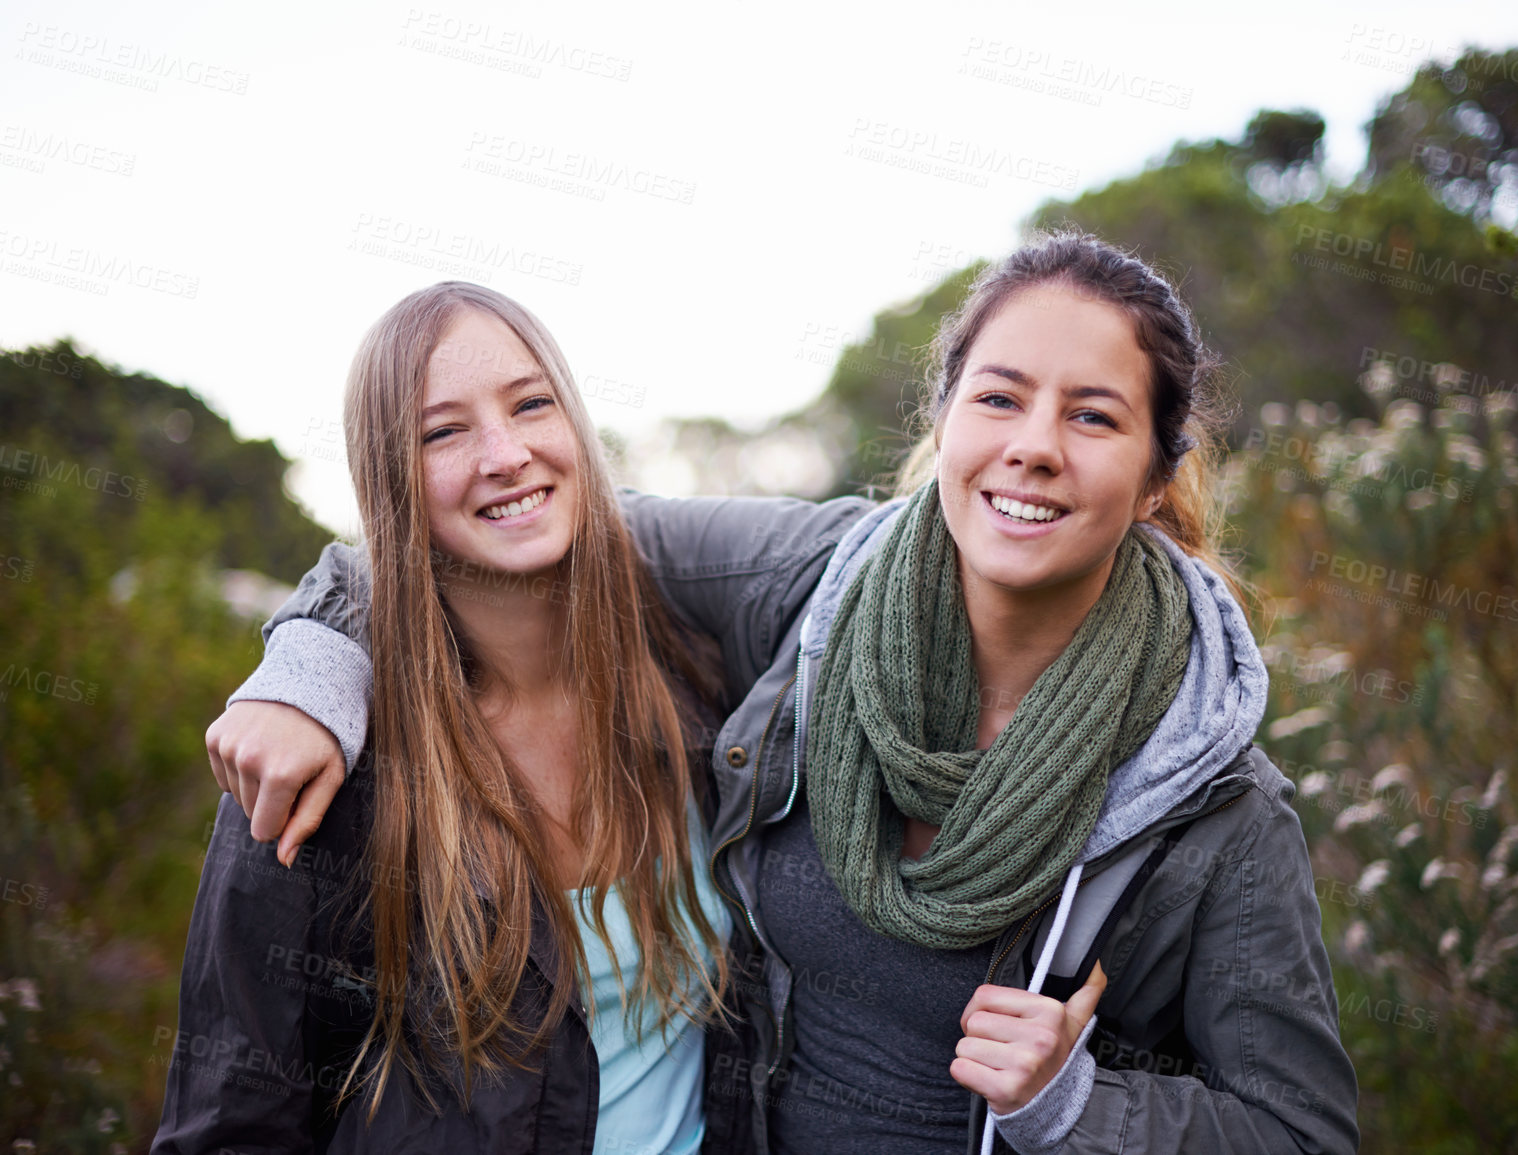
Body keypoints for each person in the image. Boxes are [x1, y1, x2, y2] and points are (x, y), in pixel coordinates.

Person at [205, 234, 1361, 1153]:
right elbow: (503, 533)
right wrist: (312, 657)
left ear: (1160, 471)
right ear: (946, 423)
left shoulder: (1207, 798)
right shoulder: (816, 593)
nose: (1037, 447)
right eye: (1000, 399)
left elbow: (1303, 1131)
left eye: (1095, 415)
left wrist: (1076, 1108)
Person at [155, 282, 796, 1153]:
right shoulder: (316, 760)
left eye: (532, 404)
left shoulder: (697, 680)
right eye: (443, 431)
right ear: (393, 477)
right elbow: (232, 1120)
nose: (505, 453)